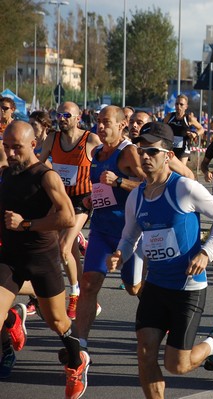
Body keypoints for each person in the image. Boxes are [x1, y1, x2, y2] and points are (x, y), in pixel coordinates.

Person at [106, 122, 213, 398]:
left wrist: (206, 252)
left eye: (152, 150)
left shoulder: (185, 188)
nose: (145, 156)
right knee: (144, 353)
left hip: (187, 288)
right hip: (156, 286)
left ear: (168, 155)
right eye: (141, 151)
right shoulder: (136, 197)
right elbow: (130, 237)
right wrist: (120, 254)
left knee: (177, 364)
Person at [0, 121, 90, 398]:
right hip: (9, 258)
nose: (11, 153)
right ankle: (9, 339)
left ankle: (77, 361)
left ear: (32, 145)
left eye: (16, 148)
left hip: (41, 258)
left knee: (58, 322)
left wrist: (25, 224)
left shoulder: (45, 175)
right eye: (6, 147)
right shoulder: (4, 173)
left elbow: (66, 217)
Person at [70, 106, 146, 365]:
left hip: (130, 232)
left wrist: (120, 182)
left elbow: (152, 183)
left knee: (134, 288)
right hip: (102, 230)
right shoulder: (97, 152)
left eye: (107, 123)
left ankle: (161, 308)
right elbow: (101, 188)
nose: (101, 127)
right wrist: (92, 197)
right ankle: (80, 346)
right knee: (89, 283)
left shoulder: (129, 153)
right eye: (99, 122)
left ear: (122, 124)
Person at [39, 101, 103, 320]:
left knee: (64, 247)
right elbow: (38, 164)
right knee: (68, 246)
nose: (62, 118)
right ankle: (87, 294)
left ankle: (75, 294)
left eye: (67, 115)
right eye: (59, 114)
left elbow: (105, 166)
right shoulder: (52, 139)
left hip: (82, 200)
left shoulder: (91, 140)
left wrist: (97, 193)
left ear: (78, 118)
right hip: (59, 198)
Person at [165, 94, 204, 164]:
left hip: (184, 148)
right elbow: (162, 127)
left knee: (181, 169)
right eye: (177, 104)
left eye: (181, 104)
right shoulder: (169, 116)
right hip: (171, 147)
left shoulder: (188, 118)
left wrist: (195, 134)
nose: (178, 106)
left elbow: (201, 129)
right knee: (169, 168)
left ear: (186, 106)